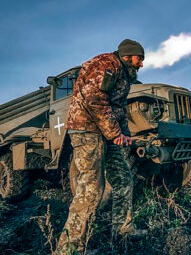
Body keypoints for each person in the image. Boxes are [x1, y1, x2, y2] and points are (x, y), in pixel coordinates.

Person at [56, 39, 146, 254]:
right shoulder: (107, 65)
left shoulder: (123, 74)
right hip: (87, 130)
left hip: (106, 132)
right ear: (127, 56)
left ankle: (123, 229)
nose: (141, 64)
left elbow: (118, 108)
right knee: (91, 188)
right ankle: (69, 248)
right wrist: (115, 133)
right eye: (139, 58)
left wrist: (123, 135)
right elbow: (94, 100)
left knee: (124, 179)